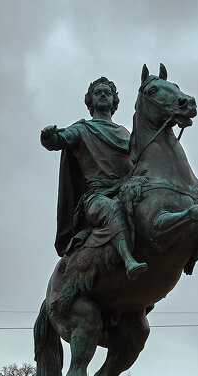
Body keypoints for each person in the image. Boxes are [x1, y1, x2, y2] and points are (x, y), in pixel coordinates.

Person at [41, 77, 147, 279]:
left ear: (114, 101)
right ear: (89, 101)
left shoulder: (125, 132)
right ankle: (129, 260)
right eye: (98, 92)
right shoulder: (82, 129)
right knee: (112, 210)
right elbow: (58, 140)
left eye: (107, 92)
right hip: (97, 197)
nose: (103, 95)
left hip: (126, 190)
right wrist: (48, 137)